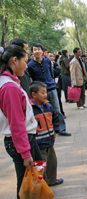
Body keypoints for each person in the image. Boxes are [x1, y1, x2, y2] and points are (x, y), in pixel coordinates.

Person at [0, 45, 43, 199]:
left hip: (25, 137)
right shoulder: (9, 87)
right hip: (19, 141)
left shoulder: (11, 82)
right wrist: (25, 152)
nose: (27, 64)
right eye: (25, 61)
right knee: (26, 183)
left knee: (36, 173)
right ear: (14, 60)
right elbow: (16, 122)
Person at [28, 43, 71, 136]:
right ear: (32, 52)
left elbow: (51, 72)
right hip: (40, 91)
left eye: (39, 49)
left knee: (57, 109)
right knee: (43, 111)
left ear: (42, 51)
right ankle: (47, 130)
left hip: (51, 88)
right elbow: (32, 79)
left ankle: (61, 129)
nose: (37, 51)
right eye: (35, 49)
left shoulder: (47, 60)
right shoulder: (30, 65)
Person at [29, 81, 64, 186]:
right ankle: (41, 184)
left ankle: (52, 180)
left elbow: (55, 118)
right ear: (34, 94)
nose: (45, 95)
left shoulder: (48, 106)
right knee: (40, 165)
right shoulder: (30, 109)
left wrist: (56, 129)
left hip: (49, 141)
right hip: (39, 144)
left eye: (45, 92)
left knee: (52, 163)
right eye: (42, 92)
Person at [49, 53, 65, 118]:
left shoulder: (55, 64)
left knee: (58, 99)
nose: (52, 57)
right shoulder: (47, 65)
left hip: (57, 84)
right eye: (50, 56)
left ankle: (61, 113)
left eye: (52, 56)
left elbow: (58, 71)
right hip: (50, 86)